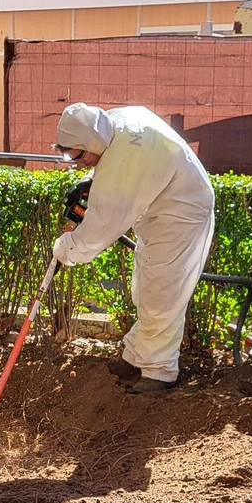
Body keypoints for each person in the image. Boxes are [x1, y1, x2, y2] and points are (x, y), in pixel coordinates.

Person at [51, 103, 215, 394]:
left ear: (91, 143)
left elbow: (99, 231)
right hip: (161, 209)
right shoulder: (111, 126)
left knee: (162, 294)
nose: (74, 163)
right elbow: (115, 167)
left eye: (77, 156)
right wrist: (90, 180)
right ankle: (137, 357)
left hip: (181, 217)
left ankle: (159, 372)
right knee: (145, 288)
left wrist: (66, 248)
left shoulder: (126, 158)